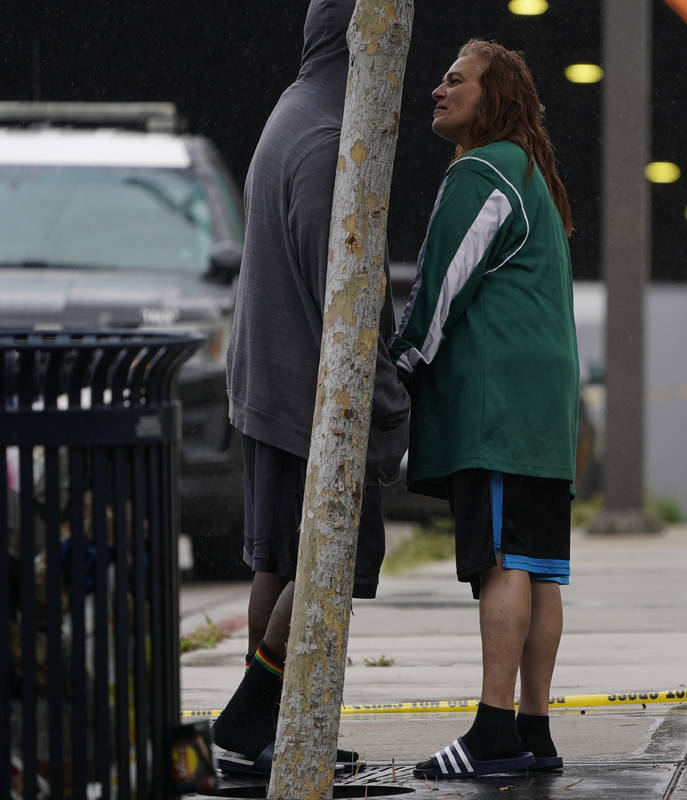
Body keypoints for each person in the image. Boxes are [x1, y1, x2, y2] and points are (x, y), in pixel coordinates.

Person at [212, 0, 410, 775]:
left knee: (280, 562)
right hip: (313, 399)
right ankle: (254, 721)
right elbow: (349, 296)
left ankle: (269, 736)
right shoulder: (335, 141)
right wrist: (386, 408)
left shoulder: (290, 112)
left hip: (267, 384)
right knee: (328, 562)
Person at [389, 40, 579, 779]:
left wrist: (394, 369)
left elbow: (440, 289)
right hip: (542, 407)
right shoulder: (536, 175)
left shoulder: (481, 170)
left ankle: (493, 729)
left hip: (496, 405)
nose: (438, 90)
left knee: (499, 562)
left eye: (455, 80)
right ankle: (534, 730)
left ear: (492, 97)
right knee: (540, 566)